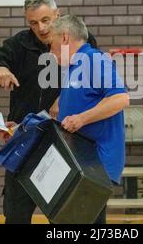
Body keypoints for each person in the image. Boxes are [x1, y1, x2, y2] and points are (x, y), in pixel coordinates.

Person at [0, 0, 97, 224]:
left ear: (57, 14)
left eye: (46, 20)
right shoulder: (20, 44)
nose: (41, 28)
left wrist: (63, 99)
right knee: (15, 215)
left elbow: (89, 78)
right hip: (25, 140)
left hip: (65, 141)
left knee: (65, 214)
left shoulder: (79, 41)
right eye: (33, 23)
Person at [49, 14, 130, 224]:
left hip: (96, 163)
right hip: (83, 161)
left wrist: (81, 119)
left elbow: (120, 98)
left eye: (52, 44)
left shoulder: (93, 60)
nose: (50, 52)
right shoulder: (74, 68)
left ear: (65, 38)